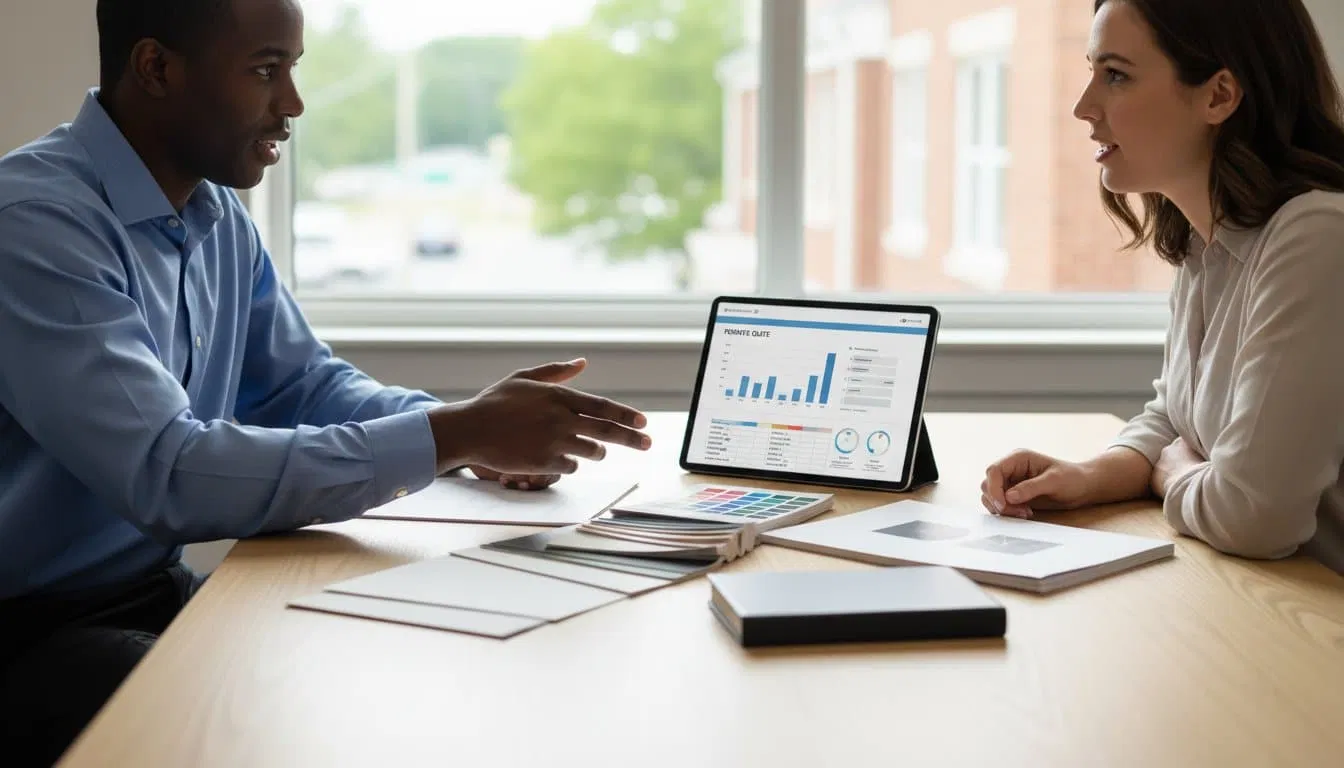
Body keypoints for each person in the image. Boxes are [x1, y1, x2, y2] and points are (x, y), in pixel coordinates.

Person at [0, 0, 652, 763]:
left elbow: (299, 387)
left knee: (371, 668)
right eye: (265, 71)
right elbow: (167, 473)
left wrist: (465, 430)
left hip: (142, 592)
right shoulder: (35, 223)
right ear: (156, 68)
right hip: (27, 631)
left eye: (295, 70)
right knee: (250, 724)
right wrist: (452, 435)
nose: (293, 105)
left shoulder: (215, 214)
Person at [981, 0, 1344, 576]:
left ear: (1219, 96)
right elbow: (1178, 420)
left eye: (1116, 75)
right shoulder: (1209, 240)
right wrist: (1090, 476)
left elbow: (1254, 515)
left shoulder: (1317, 237)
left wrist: (1174, 473)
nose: (1083, 106)